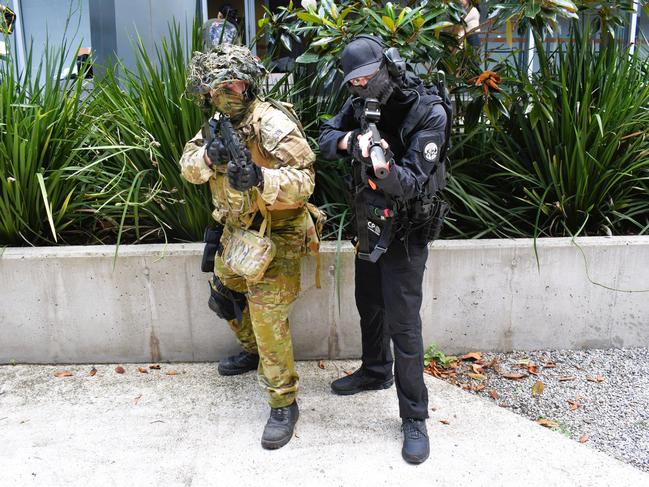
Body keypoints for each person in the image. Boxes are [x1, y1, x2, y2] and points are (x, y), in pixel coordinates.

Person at [180, 44, 321, 450]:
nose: (225, 93)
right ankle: (254, 353)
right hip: (239, 233)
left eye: (232, 85)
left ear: (248, 84)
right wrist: (208, 156)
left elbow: (306, 183)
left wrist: (261, 178)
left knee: (266, 316)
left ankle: (283, 402)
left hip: (280, 233)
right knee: (224, 297)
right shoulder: (217, 125)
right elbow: (188, 168)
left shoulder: (273, 124)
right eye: (216, 87)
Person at [318, 35, 451, 464]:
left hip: (408, 230)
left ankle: (414, 415)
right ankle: (376, 371)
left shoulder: (427, 111)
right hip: (370, 221)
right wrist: (351, 143)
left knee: (404, 324)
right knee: (368, 302)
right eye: (352, 82)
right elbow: (323, 137)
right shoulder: (360, 103)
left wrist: (382, 165)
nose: (359, 87)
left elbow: (411, 182)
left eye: (365, 78)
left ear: (387, 67)